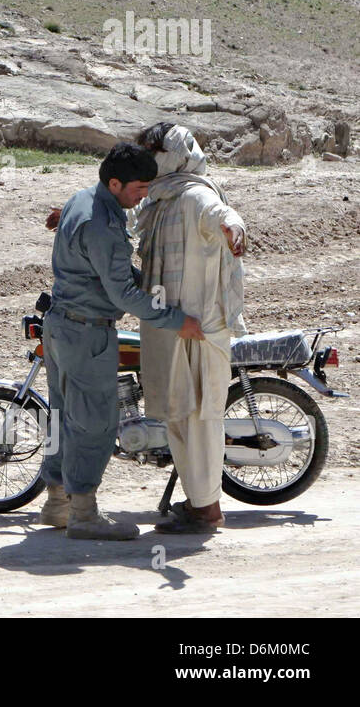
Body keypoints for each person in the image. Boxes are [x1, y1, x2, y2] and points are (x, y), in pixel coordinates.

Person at [40, 142, 205, 540]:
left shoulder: (83, 200)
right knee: (95, 421)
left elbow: (106, 271)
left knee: (63, 416)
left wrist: (141, 279)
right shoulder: (103, 225)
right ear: (114, 183)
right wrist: (174, 319)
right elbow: (122, 296)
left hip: (61, 326)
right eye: (138, 188)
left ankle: (57, 502)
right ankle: (83, 515)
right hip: (89, 333)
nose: (143, 195)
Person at [134, 124, 246, 533]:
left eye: (154, 152)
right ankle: (199, 503)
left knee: (200, 416)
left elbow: (222, 215)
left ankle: (207, 510)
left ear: (175, 153)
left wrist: (234, 229)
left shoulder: (195, 194)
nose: (150, 160)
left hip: (199, 325)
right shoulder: (161, 197)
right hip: (173, 324)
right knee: (181, 415)